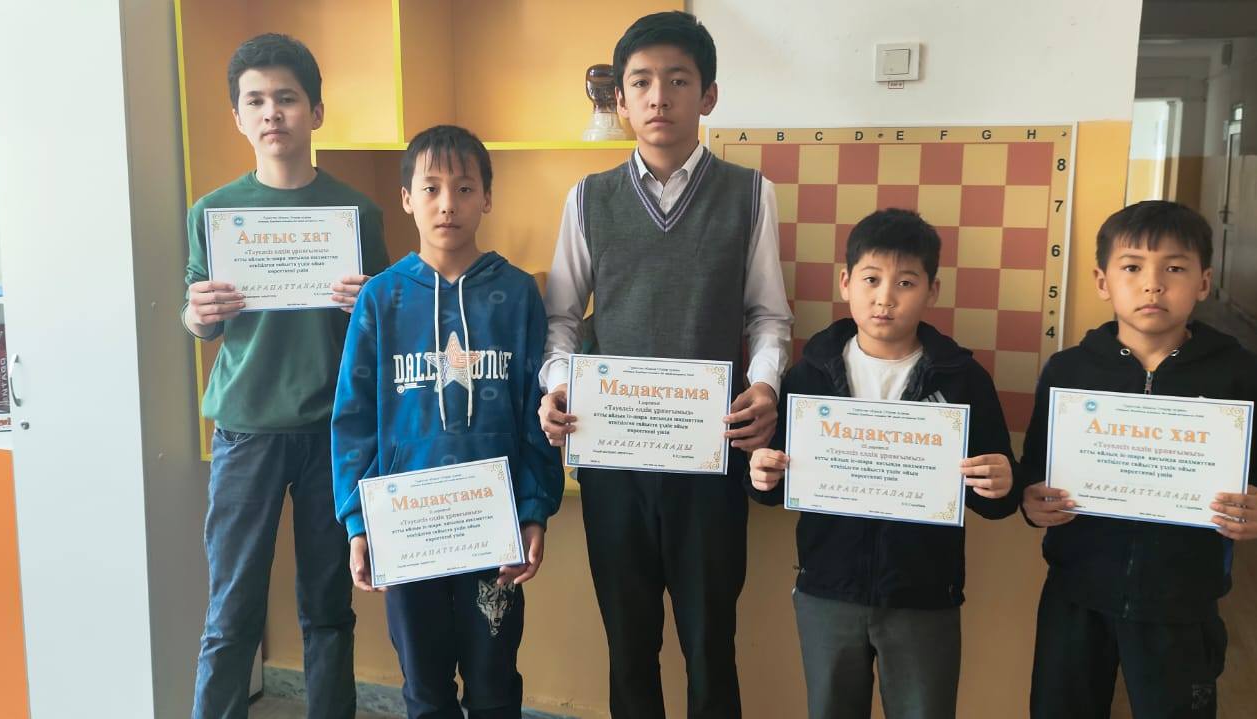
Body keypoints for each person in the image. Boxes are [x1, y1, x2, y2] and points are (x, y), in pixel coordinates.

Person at [536, 10, 793, 718]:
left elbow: (768, 315)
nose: (659, 98)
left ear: (708, 95)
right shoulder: (589, 198)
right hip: (613, 460)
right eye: (642, 82)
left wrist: (765, 384)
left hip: (711, 458)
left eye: (678, 81)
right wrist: (557, 385)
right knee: (629, 644)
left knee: (711, 642)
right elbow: (562, 318)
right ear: (620, 99)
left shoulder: (750, 193)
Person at [1018, 200, 1257, 718]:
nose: (1153, 285)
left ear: (1204, 282)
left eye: (1174, 268)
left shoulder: (1238, 373)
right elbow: (1036, 468)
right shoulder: (1068, 372)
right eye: (1132, 267)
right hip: (1076, 589)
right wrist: (1030, 500)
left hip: (1183, 597)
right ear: (1102, 281)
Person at [183, 32, 389, 719]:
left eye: (287, 98)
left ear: (316, 112)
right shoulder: (213, 214)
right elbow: (204, 323)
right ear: (238, 118)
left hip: (334, 431)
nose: (272, 112)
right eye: (256, 101)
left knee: (328, 607)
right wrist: (196, 314)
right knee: (231, 609)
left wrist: (370, 306)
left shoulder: (357, 214)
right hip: (247, 428)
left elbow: (380, 331)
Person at [746, 209, 1019, 719]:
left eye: (906, 283)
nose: (885, 298)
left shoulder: (963, 379)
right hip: (828, 589)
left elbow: (997, 500)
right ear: (846, 283)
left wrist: (1004, 482)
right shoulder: (809, 375)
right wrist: (762, 475)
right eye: (871, 279)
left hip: (924, 594)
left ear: (932, 291)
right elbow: (776, 484)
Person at [332, 125, 562, 719]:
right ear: (406, 198)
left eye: (464, 188)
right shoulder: (381, 299)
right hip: (407, 531)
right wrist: (358, 523)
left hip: (494, 529)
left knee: (494, 685)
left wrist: (534, 510)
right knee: (425, 689)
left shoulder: (517, 295)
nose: (447, 204)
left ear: (487, 197)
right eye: (430, 188)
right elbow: (353, 419)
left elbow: (535, 416)